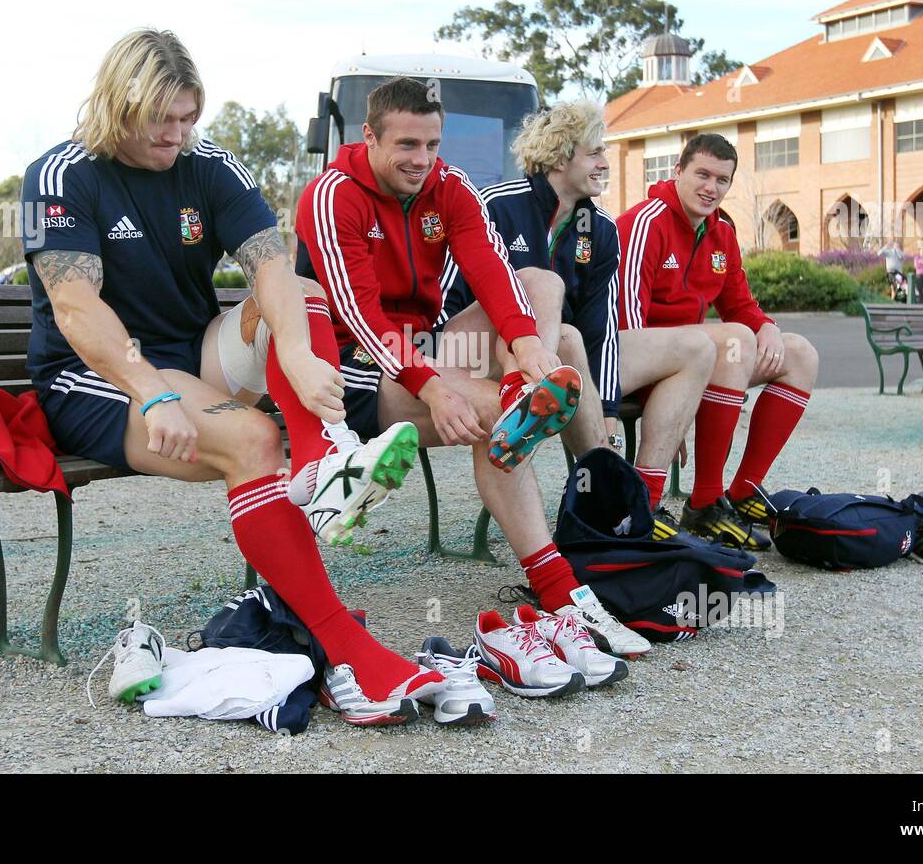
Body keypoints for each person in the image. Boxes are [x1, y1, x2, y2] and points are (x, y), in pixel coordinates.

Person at [21, 29, 443, 725]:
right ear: (117, 102)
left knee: (300, 293)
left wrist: (302, 356)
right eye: (162, 118)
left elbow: (270, 263)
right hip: (99, 374)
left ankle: (320, 465)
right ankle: (350, 656)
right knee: (251, 441)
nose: (177, 134)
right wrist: (154, 391)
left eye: (189, 118)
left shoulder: (206, 161)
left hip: (195, 352)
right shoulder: (60, 174)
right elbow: (74, 305)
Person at [296, 77, 650, 659]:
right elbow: (362, 318)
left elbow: (492, 271)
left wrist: (528, 350)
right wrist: (435, 390)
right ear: (369, 136)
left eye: (433, 144)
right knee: (494, 416)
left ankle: (520, 394)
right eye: (407, 145)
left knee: (541, 282)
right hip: (353, 366)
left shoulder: (450, 186)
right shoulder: (331, 194)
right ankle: (561, 593)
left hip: (427, 346)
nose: (423, 160)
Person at [439, 100, 713, 520]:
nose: (605, 162)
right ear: (560, 155)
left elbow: (599, 329)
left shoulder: (600, 229)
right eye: (595, 152)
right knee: (558, 319)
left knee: (697, 346)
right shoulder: (496, 205)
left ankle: (645, 501)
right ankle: (610, 498)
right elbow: (447, 299)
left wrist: (606, 409)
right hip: (471, 351)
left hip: (561, 363)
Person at [617, 133, 819, 551]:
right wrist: (673, 397)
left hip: (700, 357)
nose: (711, 188)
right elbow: (625, 321)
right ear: (677, 172)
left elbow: (739, 303)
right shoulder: (646, 222)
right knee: (734, 340)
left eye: (722, 180)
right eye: (702, 175)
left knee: (798, 352)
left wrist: (766, 326)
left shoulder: (721, 231)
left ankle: (743, 493)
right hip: (639, 358)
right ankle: (705, 500)